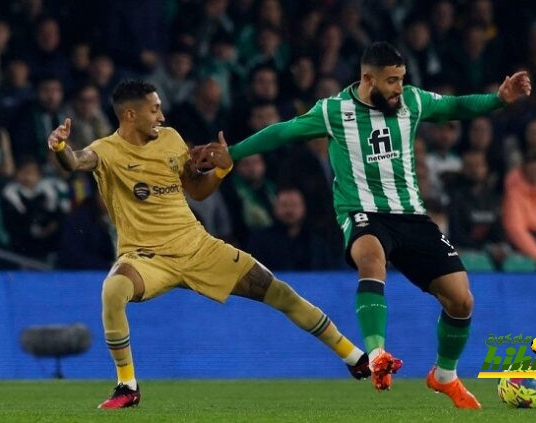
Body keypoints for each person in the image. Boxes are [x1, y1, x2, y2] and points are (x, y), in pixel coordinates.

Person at [194, 42, 531, 407]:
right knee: (372, 261)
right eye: (391, 81)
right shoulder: (334, 110)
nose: (398, 88)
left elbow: (455, 107)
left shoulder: (413, 102)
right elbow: (283, 132)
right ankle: (377, 356)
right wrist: (235, 153)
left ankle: (444, 375)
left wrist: (498, 99)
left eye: (401, 79)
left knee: (461, 300)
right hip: (362, 212)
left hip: (412, 215)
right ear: (367, 78)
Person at [46, 80, 369, 410]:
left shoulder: (171, 140)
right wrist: (60, 148)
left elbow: (197, 191)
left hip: (198, 247)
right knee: (113, 290)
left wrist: (223, 169)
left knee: (279, 292)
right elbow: (76, 161)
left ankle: (355, 357)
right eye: (154, 109)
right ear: (131, 114)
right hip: (147, 257)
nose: (161, 115)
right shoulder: (107, 150)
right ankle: (127, 385)